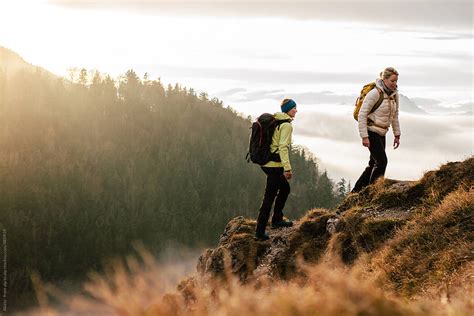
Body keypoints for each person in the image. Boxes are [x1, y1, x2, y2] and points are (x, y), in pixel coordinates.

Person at [352, 67, 401, 193]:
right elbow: (363, 114)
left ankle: (356, 192)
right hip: (371, 131)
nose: (395, 84)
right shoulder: (375, 93)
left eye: (396, 81)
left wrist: (397, 134)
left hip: (382, 132)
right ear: (384, 79)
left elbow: (395, 115)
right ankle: (373, 192)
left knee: (373, 163)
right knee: (382, 162)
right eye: (392, 81)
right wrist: (364, 136)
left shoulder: (394, 95)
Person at [255, 98, 297, 241]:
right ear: (287, 110)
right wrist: (287, 168)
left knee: (285, 189)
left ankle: (277, 219)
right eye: (294, 108)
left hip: (267, 163)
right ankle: (260, 232)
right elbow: (283, 147)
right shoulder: (286, 125)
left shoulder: (276, 120)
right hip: (274, 165)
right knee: (269, 197)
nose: (296, 110)